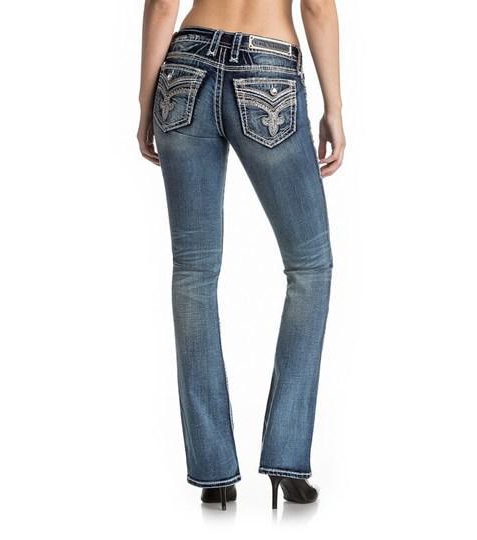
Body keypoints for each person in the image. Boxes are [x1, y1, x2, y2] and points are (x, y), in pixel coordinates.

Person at [137, 0, 345, 511]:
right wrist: (334, 108)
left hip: (185, 70)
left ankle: (213, 474)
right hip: (267, 73)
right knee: (309, 268)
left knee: (193, 272)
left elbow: (163, 5)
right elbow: (317, 6)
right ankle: (287, 461)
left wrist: (145, 103)